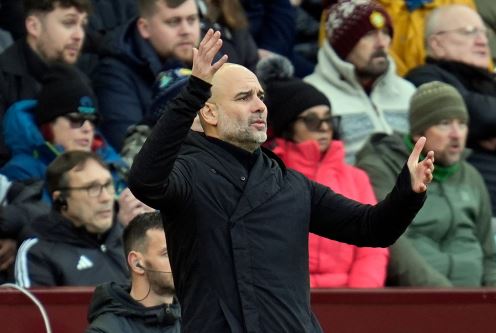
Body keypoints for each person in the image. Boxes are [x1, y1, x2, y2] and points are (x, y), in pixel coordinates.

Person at [128, 29, 434, 332]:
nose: (260, 105)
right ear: (209, 112)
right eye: (244, 97)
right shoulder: (189, 173)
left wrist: (407, 192)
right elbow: (145, 181)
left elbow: (373, 228)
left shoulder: (291, 184)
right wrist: (193, 91)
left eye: (260, 96)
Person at [258, 55, 388, 288]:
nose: (325, 128)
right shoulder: (266, 176)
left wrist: (360, 299)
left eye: (329, 120)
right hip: (287, 301)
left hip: (351, 300)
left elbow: (373, 247)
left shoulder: (357, 178)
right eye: (312, 121)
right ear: (288, 127)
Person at [356, 81, 496, 287]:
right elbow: (393, 246)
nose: (456, 134)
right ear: (418, 133)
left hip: (475, 302)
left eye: (462, 123)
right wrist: (445, 298)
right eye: (444, 123)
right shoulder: (382, 167)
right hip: (420, 302)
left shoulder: (471, 175)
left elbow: (488, 256)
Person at [405, 4, 496, 219]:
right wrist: (484, 123)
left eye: (484, 33)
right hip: (475, 201)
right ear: (437, 43)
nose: (482, 40)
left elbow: (484, 114)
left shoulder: (490, 83)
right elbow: (480, 114)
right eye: (469, 32)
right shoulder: (425, 78)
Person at [304, 0, 415, 164]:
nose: (382, 43)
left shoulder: (408, 92)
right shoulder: (313, 95)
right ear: (343, 46)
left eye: (385, 32)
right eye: (369, 34)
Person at [0, 63, 128, 197]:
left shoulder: (112, 165)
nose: (88, 129)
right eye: (76, 120)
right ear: (48, 125)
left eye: (93, 121)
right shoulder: (21, 172)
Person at [92, 0, 201, 150]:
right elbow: (131, 152)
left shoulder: (212, 60)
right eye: (173, 22)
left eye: (192, 19)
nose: (186, 30)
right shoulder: (114, 74)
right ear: (144, 28)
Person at [15, 151, 129, 287]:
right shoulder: (38, 254)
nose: (106, 197)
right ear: (61, 201)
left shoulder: (131, 240)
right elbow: (35, 308)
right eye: (92, 188)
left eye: (108, 185)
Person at [0, 0, 91, 165]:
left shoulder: (81, 81)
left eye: (83, 24)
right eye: (69, 23)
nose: (79, 35)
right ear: (34, 26)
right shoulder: (4, 80)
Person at [86, 212, 181, 333]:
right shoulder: (106, 330)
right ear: (137, 263)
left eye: (182, 252)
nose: (180, 261)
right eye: (167, 253)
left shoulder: (198, 317)